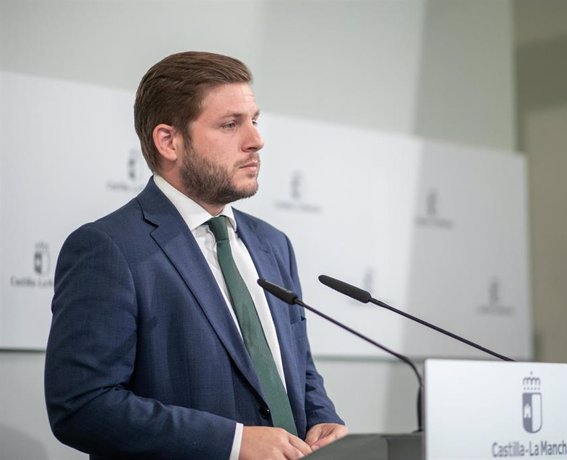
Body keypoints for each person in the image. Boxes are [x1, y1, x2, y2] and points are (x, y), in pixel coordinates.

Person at [44, 51, 347, 460]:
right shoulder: (109, 248)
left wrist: (320, 419)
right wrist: (233, 443)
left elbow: (298, 369)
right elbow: (82, 407)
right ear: (169, 140)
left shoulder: (274, 245)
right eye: (230, 124)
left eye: (254, 120)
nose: (256, 139)